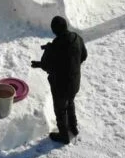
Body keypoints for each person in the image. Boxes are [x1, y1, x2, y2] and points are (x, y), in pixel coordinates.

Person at [31, 16, 87, 144]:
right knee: (70, 103)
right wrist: (73, 65)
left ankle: (63, 136)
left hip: (60, 86)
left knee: (60, 110)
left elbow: (46, 65)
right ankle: (73, 127)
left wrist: (44, 57)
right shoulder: (77, 38)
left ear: (54, 31)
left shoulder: (54, 47)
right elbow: (84, 55)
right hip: (74, 82)